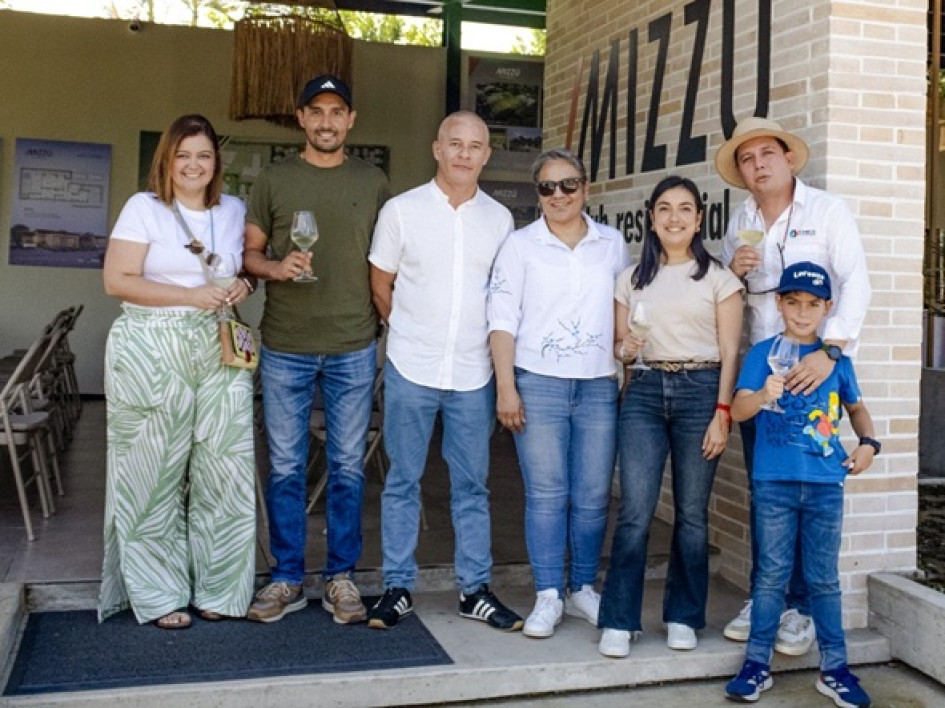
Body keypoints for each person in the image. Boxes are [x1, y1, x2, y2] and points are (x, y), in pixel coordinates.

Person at [715, 117, 871, 655]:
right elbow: (734, 300)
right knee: (768, 493)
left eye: (766, 154)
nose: (758, 165)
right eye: (747, 159)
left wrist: (831, 353)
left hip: (819, 377)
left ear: (787, 158)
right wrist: (732, 271)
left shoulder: (826, 211)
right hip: (764, 376)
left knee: (811, 492)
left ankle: (802, 609)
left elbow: (856, 283)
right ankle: (771, 599)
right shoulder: (741, 219)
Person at [366, 110, 522, 632]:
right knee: (402, 480)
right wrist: (409, 331)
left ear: (486, 155)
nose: (463, 154)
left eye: (474, 146)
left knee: (472, 485)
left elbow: (503, 298)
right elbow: (380, 283)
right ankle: (397, 587)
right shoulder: (401, 211)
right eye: (454, 144)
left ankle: (474, 590)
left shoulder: (499, 221)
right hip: (412, 365)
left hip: (473, 373)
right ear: (437, 148)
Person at [98, 114, 256, 629]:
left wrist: (241, 288)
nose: (193, 165)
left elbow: (240, 270)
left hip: (219, 346)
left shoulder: (233, 210)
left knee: (225, 469)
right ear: (167, 160)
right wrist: (188, 296)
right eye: (183, 155)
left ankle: (220, 588)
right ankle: (159, 593)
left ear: (216, 164)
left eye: (204, 156)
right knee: (153, 471)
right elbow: (116, 280)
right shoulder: (144, 209)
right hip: (151, 347)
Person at [243, 75, 391, 624]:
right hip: (285, 344)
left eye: (337, 112)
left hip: (353, 344)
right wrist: (276, 267)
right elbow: (248, 254)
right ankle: (285, 578)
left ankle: (341, 579)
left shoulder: (374, 182)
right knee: (285, 466)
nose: (327, 121)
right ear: (301, 118)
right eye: (316, 111)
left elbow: (389, 260)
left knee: (348, 466)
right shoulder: (275, 180)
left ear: (350, 120)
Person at [597, 176, 743, 658]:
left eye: (685, 209)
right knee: (636, 512)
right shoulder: (631, 279)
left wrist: (722, 412)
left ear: (699, 219)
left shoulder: (720, 279)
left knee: (692, 515)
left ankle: (684, 615)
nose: (674, 218)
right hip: (643, 391)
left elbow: (729, 352)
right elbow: (620, 348)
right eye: (664, 209)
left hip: (701, 391)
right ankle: (620, 619)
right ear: (651, 219)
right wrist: (626, 348)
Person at [487, 148, 630, 638]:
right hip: (538, 381)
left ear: (585, 188)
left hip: (596, 384)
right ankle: (548, 593)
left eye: (568, 184)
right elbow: (502, 321)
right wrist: (506, 387)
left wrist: (624, 360)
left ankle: (582, 588)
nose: (559, 195)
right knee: (547, 495)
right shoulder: (519, 246)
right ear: (538, 194)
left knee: (592, 496)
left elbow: (622, 311)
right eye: (547, 187)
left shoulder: (612, 244)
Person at [724, 261, 878, 708]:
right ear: (779, 303)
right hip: (773, 482)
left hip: (826, 484)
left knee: (823, 581)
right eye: (793, 302)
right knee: (770, 576)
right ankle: (756, 665)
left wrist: (869, 443)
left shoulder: (838, 362)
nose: (803, 312)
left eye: (813, 304)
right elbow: (736, 411)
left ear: (828, 308)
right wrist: (762, 395)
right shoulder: (761, 354)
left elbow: (858, 409)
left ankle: (835, 669)